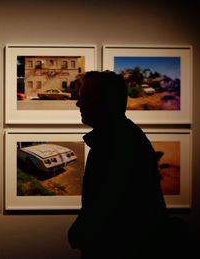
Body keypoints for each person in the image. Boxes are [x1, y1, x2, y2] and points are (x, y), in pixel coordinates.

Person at [68, 71, 170, 258]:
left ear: (109, 101)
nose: (78, 103)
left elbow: (109, 206)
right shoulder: (118, 136)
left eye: (87, 97)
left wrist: (80, 231)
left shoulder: (118, 143)